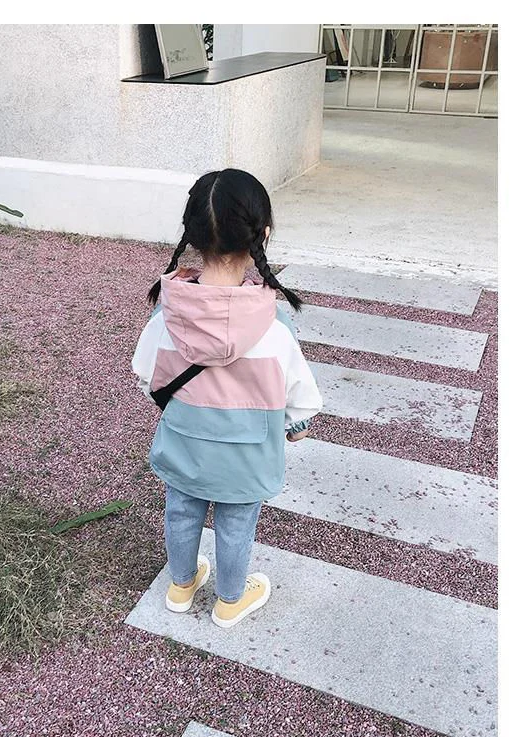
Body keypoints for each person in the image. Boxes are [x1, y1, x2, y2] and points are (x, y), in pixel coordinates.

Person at [132, 169, 322, 628]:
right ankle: (230, 600)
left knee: (181, 512)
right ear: (263, 235)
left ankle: (181, 586)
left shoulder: (168, 313)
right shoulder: (274, 326)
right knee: (236, 525)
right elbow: (299, 397)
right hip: (247, 453)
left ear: (192, 234)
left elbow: (146, 375)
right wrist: (295, 427)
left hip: (185, 442)